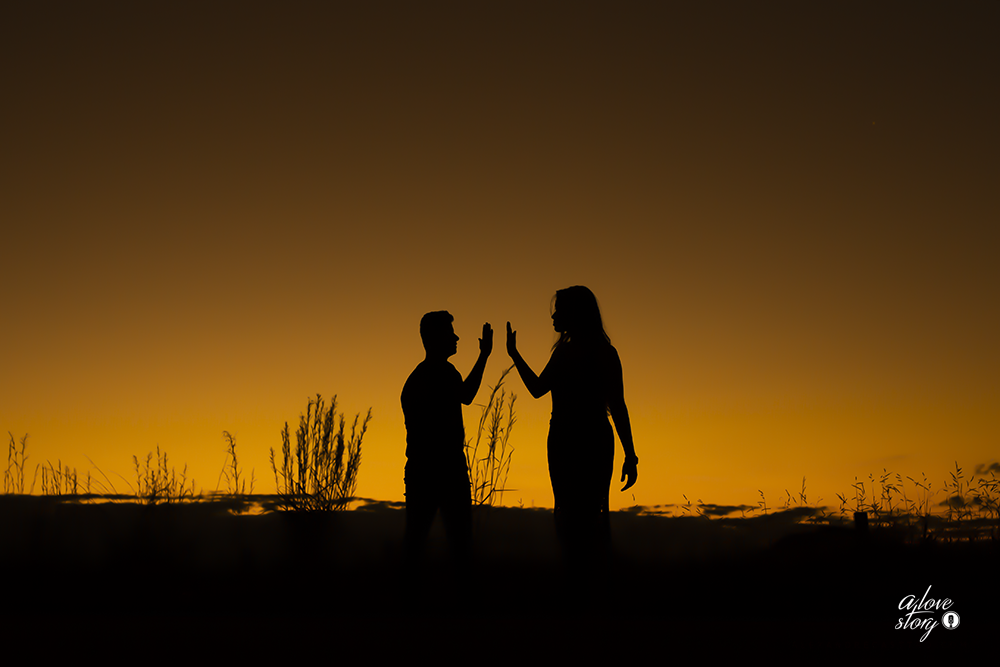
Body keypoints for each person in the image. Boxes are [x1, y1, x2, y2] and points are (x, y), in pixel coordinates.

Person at [506, 286, 638, 561]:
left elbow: (537, 389)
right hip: (591, 439)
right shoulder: (602, 352)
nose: (553, 317)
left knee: (572, 513)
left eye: (559, 311)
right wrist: (630, 454)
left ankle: (578, 576)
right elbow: (618, 406)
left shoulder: (569, 354)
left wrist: (515, 355)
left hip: (566, 440)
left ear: (574, 314)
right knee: (592, 512)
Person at [401, 311, 493, 566]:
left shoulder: (426, 376)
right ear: (435, 337)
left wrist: (484, 356)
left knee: (419, 541)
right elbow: (466, 395)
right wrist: (484, 356)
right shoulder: (439, 374)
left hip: (426, 469)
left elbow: (464, 395)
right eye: (450, 333)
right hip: (442, 470)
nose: (456, 337)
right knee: (457, 542)